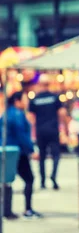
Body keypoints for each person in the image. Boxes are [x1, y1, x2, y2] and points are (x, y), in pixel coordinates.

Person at [1, 91, 42, 219]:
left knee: (6, 181)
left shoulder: (7, 114)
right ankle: (28, 210)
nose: (27, 102)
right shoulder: (17, 115)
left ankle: (7, 211)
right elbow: (22, 135)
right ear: (17, 101)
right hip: (18, 152)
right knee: (29, 179)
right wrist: (31, 150)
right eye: (25, 99)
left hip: (7, 151)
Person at [28, 74, 66, 190]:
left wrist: (32, 132)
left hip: (41, 131)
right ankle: (53, 176)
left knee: (42, 156)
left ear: (39, 84)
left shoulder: (35, 99)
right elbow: (62, 113)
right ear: (48, 84)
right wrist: (63, 128)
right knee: (55, 155)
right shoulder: (55, 97)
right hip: (53, 130)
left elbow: (31, 118)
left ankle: (43, 181)